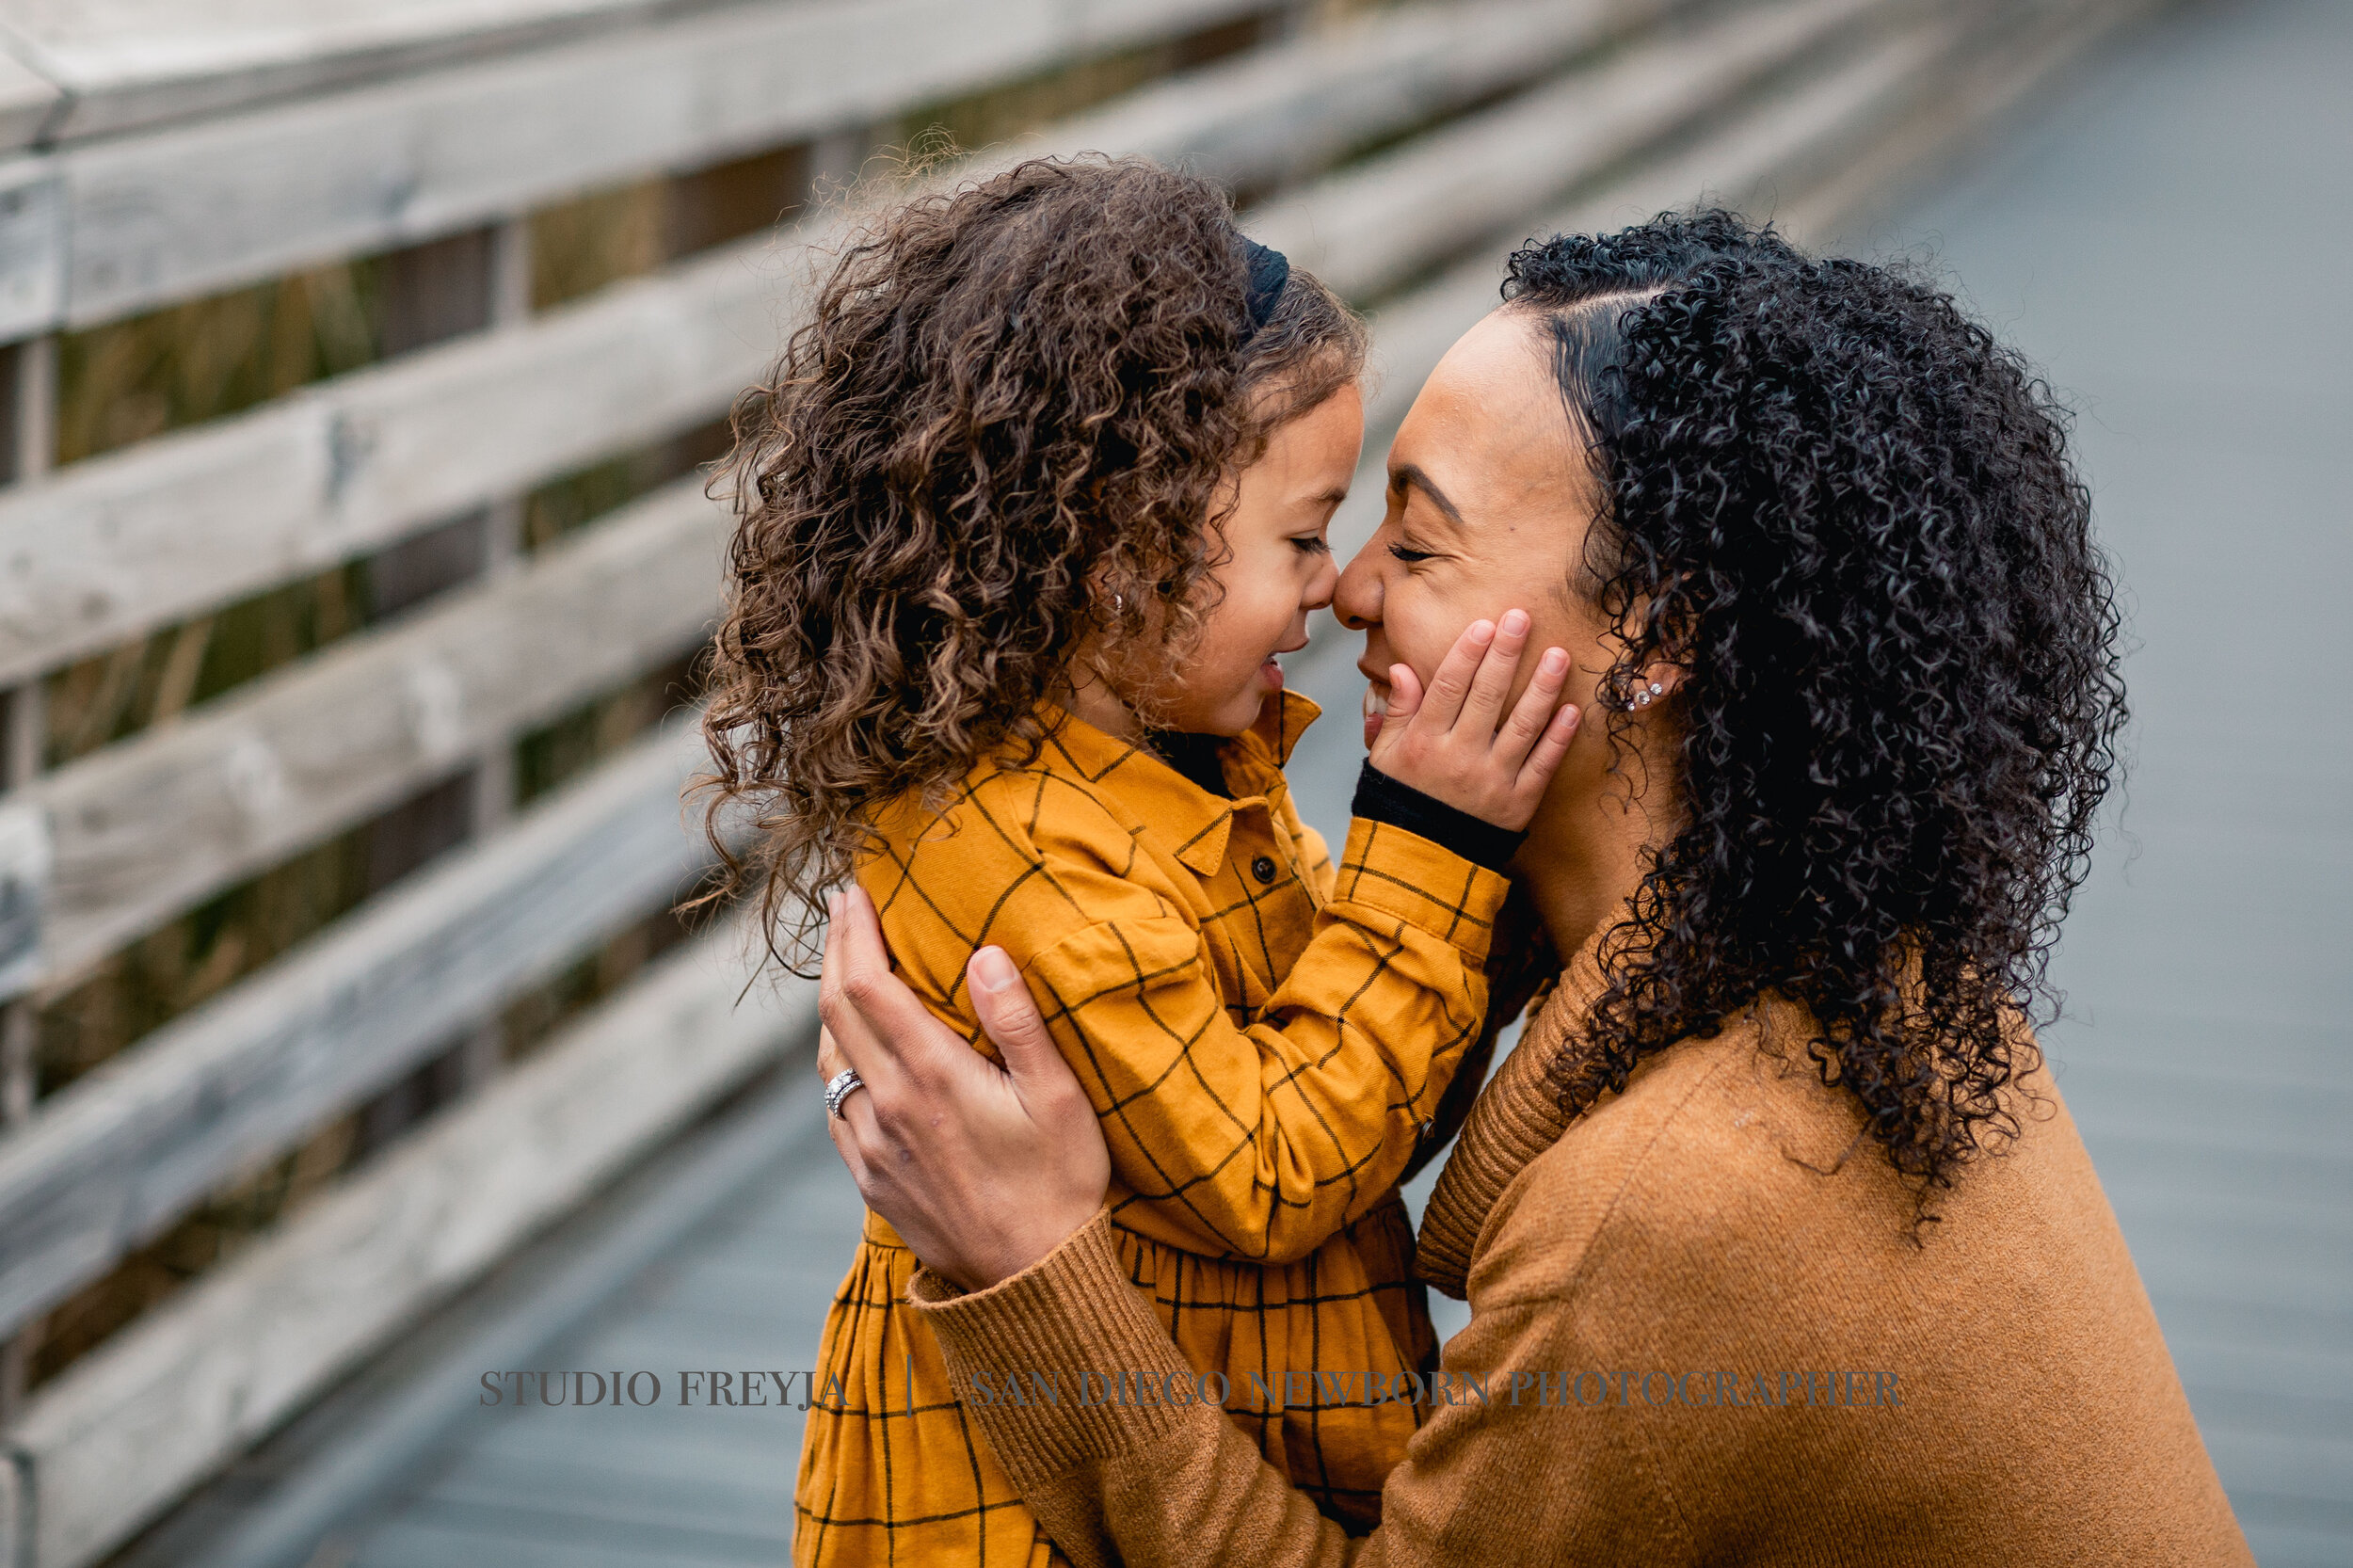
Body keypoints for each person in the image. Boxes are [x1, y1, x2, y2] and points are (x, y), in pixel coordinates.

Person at [813, 211, 2255, 1565]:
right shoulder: (1846, 961)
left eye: (1418, 539)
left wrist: (1029, 1268)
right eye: (1346, 528)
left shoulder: (1681, 1205)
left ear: (1656, 631)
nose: (1350, 590)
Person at [697, 155, 1582, 1565]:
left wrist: (1505, 898)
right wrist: (1435, 848)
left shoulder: (1158, 767)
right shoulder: (1036, 853)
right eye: (1302, 534)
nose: (1335, 583)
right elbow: (1279, 1163)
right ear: (1123, 545)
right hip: (1038, 1519)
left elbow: (1345, 1073)